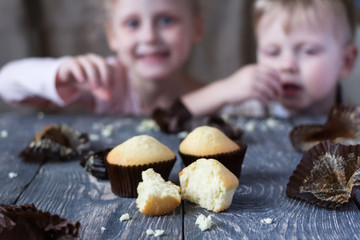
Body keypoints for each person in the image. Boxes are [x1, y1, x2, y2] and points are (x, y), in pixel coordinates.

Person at [0, 0, 203, 114]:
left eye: (166, 20)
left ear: (196, 28)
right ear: (112, 36)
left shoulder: (214, 97)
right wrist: (60, 72)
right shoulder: (103, 83)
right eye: (132, 24)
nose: (149, 36)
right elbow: (7, 83)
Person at [180, 0, 358, 117]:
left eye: (308, 51)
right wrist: (223, 90)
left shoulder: (354, 120)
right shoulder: (252, 108)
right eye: (273, 52)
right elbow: (170, 117)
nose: (286, 65)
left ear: (345, 61)